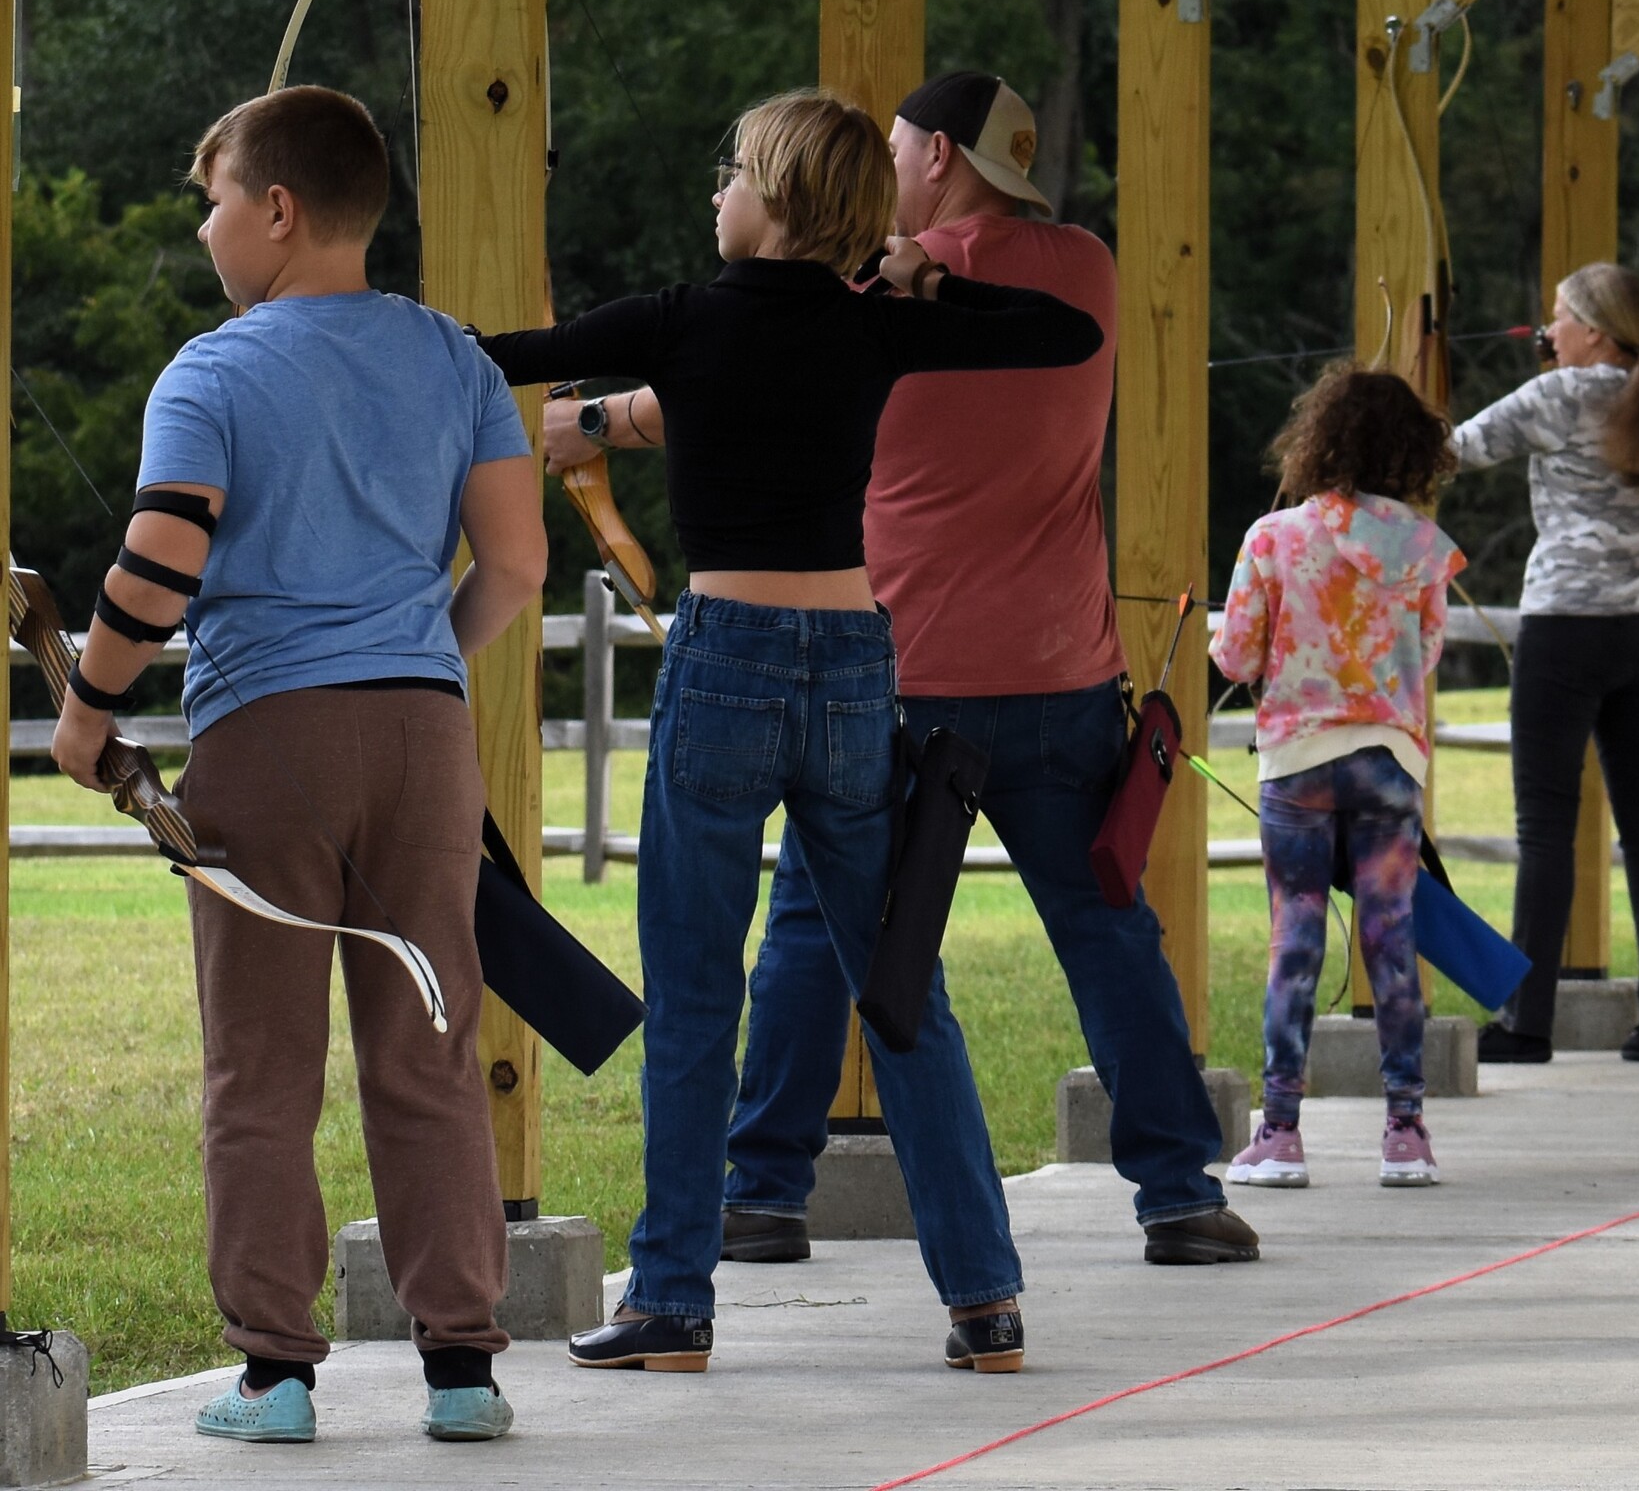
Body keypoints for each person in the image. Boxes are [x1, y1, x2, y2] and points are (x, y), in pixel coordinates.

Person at [553, 71, 1260, 1266]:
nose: (882, 162)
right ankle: (1180, 1193)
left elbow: (740, 373)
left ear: (935, 155)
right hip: (1059, 670)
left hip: (900, 672)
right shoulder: (1079, 266)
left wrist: (594, 419)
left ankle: (765, 1190)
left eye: (894, 145)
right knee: (1104, 926)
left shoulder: (869, 279)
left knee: (815, 930)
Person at [479, 88, 1103, 1375]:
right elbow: (1059, 330)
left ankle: (671, 1302)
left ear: (770, 206)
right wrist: (920, 282)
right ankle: (983, 1300)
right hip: (856, 663)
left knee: (699, 991)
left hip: (725, 662)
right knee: (903, 982)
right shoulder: (874, 327)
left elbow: (502, 353)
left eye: (732, 173)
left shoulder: (680, 320)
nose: (717, 192)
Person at [51, 87, 545, 1445]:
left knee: (261, 1064)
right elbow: (517, 564)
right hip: (424, 736)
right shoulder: (454, 359)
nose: (207, 228)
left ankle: (275, 1376)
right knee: (430, 1043)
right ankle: (461, 1371)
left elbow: (161, 558)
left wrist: (86, 712)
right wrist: (420, 661)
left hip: (269, 737)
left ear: (276, 210)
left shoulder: (211, 371)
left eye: (214, 201)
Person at [1450, 263, 1639, 1066]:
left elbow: (1449, 452)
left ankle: (1529, 1024)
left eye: (1559, 319)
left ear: (1595, 332)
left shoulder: (1561, 396)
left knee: (1546, 829)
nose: (1546, 333)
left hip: (1567, 630)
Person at [1210, 368, 1465, 1189]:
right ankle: (1406, 1130)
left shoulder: (1274, 537)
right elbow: (1424, 658)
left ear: (1317, 438)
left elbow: (1237, 655)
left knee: (1296, 941)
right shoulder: (1425, 547)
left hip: (1298, 763)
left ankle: (1280, 1132)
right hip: (1391, 761)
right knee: (1391, 938)